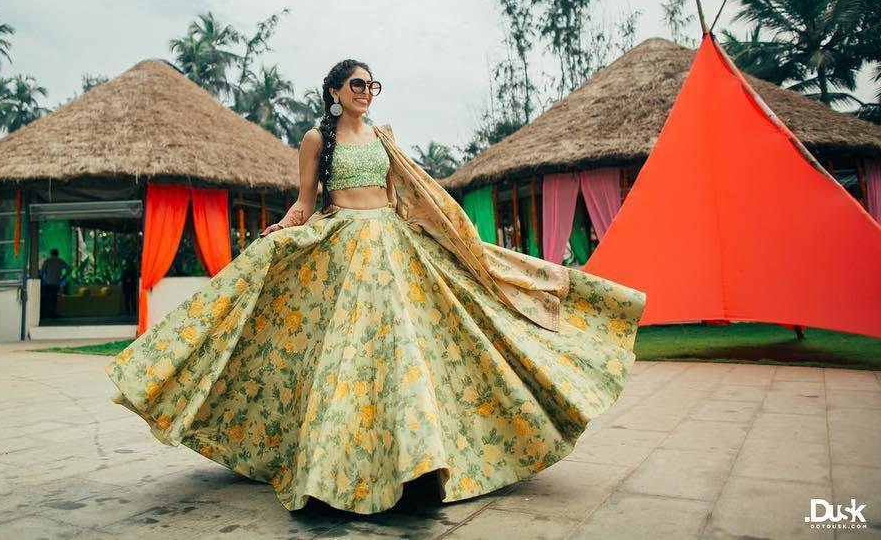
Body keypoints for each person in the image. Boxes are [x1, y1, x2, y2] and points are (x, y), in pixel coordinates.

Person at [105, 60, 647, 514]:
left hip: (394, 244)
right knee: (346, 354)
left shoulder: (385, 136)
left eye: (372, 85)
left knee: (412, 348)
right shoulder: (318, 138)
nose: (367, 93)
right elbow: (305, 200)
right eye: (358, 85)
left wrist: (436, 235)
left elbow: (403, 194)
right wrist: (285, 228)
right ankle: (327, 468)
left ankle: (420, 466)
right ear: (335, 92)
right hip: (343, 244)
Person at [39, 249, 69, 320]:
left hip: (47, 283)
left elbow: (41, 273)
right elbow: (69, 269)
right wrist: (64, 277)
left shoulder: (47, 261)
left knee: (46, 298)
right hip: (56, 283)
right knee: (54, 299)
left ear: (51, 254)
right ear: (57, 254)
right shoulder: (60, 261)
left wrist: (42, 280)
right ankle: (52, 313)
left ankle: (44, 314)